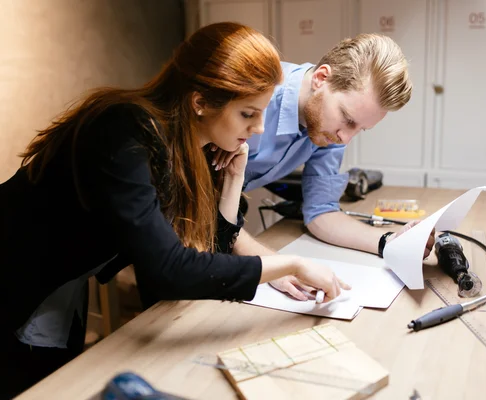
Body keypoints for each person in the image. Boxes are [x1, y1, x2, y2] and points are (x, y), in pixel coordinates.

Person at [0, 22, 348, 398]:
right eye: (248, 114)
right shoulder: (124, 132)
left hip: (58, 282)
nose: (260, 128)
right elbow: (167, 271)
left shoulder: (190, 146)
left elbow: (203, 259)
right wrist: (290, 265)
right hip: (13, 274)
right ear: (200, 102)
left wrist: (232, 182)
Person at [235, 33, 435, 301]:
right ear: (321, 78)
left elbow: (321, 212)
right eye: (348, 119)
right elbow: (200, 200)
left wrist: (389, 242)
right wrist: (276, 266)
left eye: (361, 129)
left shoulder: (329, 131)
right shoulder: (255, 95)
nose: (345, 138)